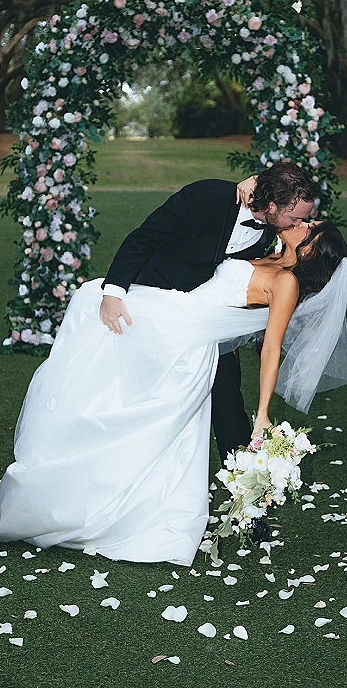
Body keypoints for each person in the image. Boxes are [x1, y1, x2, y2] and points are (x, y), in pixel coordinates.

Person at [0, 222, 347, 567]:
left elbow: (270, 350)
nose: (302, 222)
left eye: (310, 228)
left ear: (309, 250)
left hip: (183, 333)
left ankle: (110, 504)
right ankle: (72, 482)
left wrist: (262, 413)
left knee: (103, 331)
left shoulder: (286, 283)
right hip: (172, 309)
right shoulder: (267, 253)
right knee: (97, 320)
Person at [100, 162, 316, 469]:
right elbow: (144, 238)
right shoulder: (205, 196)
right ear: (271, 205)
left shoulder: (272, 234)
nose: (298, 224)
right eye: (294, 218)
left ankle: (244, 486)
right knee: (143, 399)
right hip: (154, 304)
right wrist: (113, 292)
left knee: (228, 399)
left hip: (208, 323)